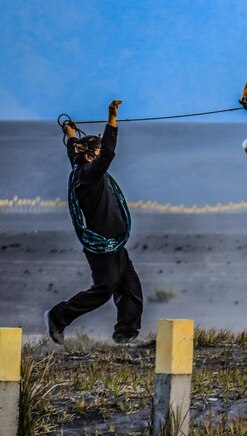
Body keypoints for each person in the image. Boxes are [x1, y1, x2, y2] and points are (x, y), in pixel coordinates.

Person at [44, 100, 143, 345]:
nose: (100, 156)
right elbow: (108, 153)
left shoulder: (80, 166)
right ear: (90, 156)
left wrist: (69, 135)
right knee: (104, 289)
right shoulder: (88, 175)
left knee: (131, 290)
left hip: (115, 244)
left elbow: (74, 152)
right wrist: (112, 118)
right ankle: (58, 316)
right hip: (101, 246)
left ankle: (125, 336)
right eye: (96, 153)